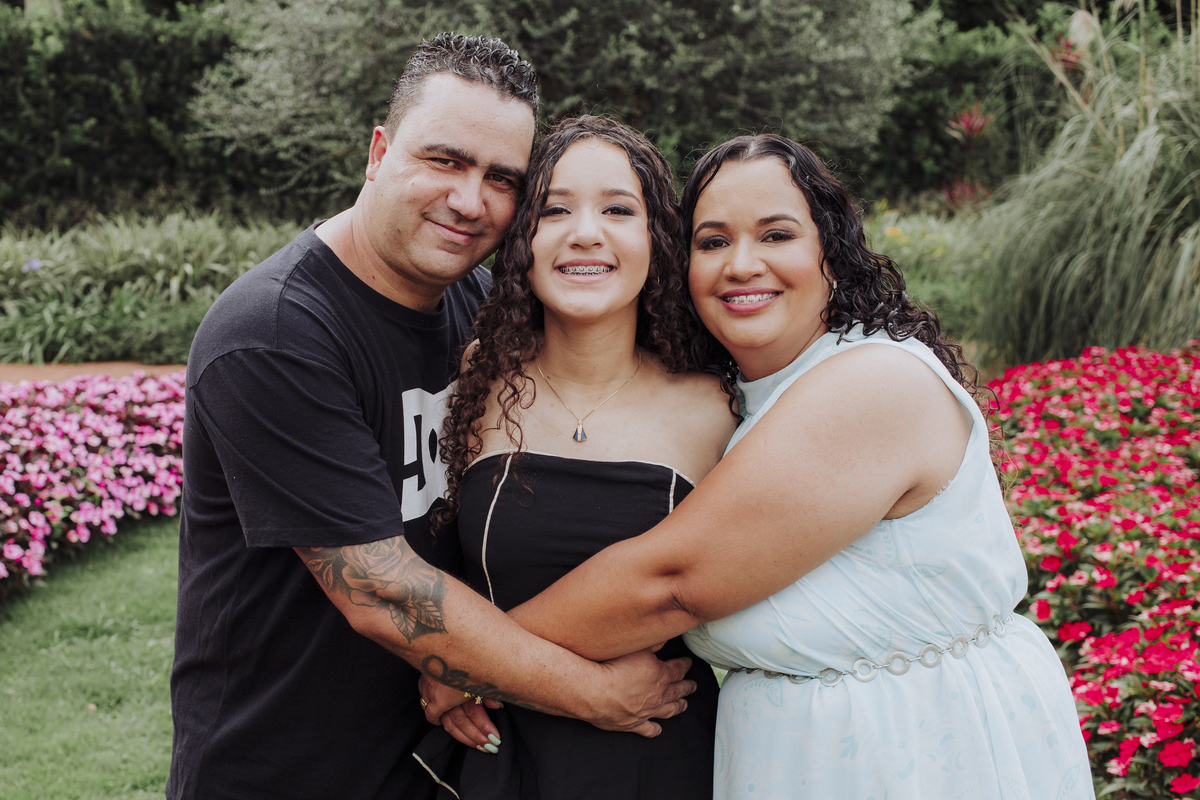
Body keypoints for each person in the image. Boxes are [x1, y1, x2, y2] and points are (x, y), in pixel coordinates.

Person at [482, 134, 1094, 799]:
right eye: (713, 242)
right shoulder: (741, 400)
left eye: (776, 235)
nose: (741, 264)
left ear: (833, 252)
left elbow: (669, 583)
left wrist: (470, 662)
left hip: (918, 753)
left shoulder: (873, 382)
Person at [168, 35, 696, 800]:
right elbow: (381, 591)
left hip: (434, 761)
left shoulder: (477, 306)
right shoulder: (276, 332)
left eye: (502, 178)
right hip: (285, 767)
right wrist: (594, 693)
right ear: (379, 152)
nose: (470, 200)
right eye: (445, 160)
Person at [413, 115, 738, 798]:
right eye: (555, 210)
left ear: (657, 238)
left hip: (659, 754)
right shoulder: (479, 382)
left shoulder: (716, 405)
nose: (585, 232)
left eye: (618, 210)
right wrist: (466, 667)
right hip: (503, 759)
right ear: (522, 242)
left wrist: (464, 666)